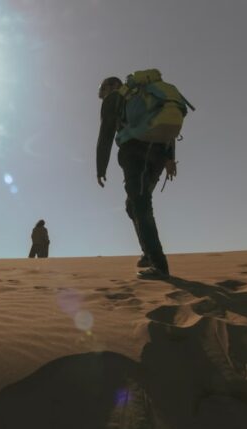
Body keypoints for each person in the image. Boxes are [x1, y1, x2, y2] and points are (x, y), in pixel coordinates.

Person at [96, 76, 178, 279]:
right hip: (158, 156)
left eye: (102, 90)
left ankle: (159, 265)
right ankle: (149, 254)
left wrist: (101, 167)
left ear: (111, 86)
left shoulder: (116, 98)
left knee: (140, 203)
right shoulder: (145, 98)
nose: (102, 94)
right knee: (133, 205)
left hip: (134, 153)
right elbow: (167, 128)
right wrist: (169, 159)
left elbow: (106, 134)